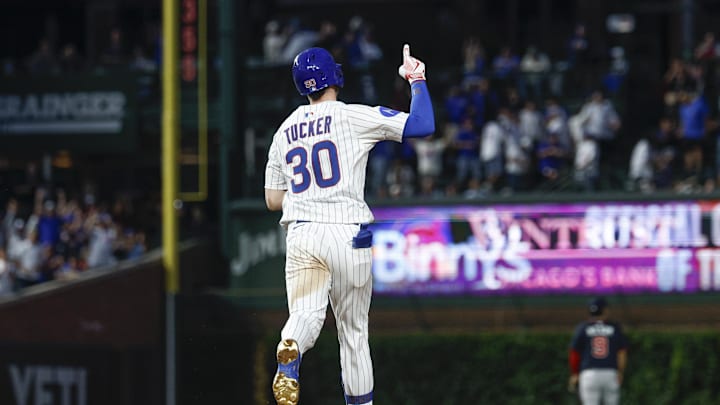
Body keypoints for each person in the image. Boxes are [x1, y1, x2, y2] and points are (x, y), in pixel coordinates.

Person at [264, 44, 434, 405]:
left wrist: (304, 190)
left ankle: (290, 345)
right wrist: (416, 79)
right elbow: (423, 125)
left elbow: (272, 199)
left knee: (305, 315)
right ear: (335, 77)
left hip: (303, 232)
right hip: (346, 231)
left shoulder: (284, 130)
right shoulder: (352, 116)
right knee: (354, 333)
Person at [568, 297, 628, 405]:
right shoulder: (614, 327)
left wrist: (575, 373)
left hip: (589, 373)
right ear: (605, 310)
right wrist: (620, 372)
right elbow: (622, 353)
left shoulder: (583, 327)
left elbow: (574, 353)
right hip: (610, 372)